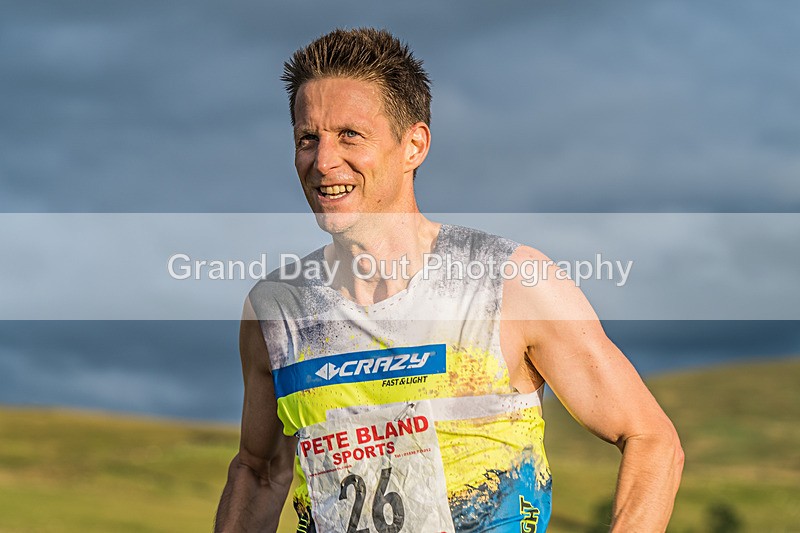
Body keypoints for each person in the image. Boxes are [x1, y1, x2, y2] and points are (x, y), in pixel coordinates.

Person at [215, 28, 683, 532]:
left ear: (414, 145)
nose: (323, 161)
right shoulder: (277, 311)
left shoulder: (508, 283)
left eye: (350, 135)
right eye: (308, 138)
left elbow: (651, 440)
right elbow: (260, 472)